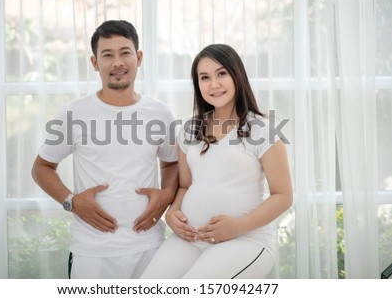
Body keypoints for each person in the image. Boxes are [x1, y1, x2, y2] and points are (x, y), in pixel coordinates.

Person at [31, 20, 178, 279]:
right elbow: (42, 168)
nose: (117, 62)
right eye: (107, 55)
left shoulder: (160, 113)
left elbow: (170, 163)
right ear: (95, 63)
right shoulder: (75, 113)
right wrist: (71, 201)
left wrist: (166, 195)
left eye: (125, 52)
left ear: (139, 57)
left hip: (150, 247)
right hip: (92, 252)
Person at [140, 44, 292, 279]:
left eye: (221, 74)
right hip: (191, 238)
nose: (214, 84)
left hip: (246, 239)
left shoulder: (262, 130)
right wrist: (172, 214)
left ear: (237, 75)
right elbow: (185, 185)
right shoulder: (190, 130)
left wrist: (239, 226)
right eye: (205, 77)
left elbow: (283, 196)